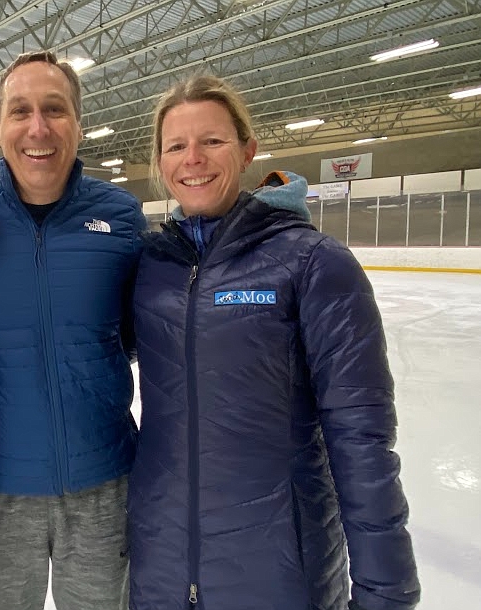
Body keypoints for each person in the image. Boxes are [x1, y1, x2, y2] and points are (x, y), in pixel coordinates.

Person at [127, 74, 421, 610]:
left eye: (212, 141)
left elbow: (362, 438)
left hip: (280, 571)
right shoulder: (150, 267)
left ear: (247, 150)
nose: (193, 158)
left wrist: (386, 593)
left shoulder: (312, 263)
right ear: (161, 163)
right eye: (176, 146)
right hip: (162, 567)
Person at [0, 51, 146, 610]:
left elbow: (138, 331)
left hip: (104, 485)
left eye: (55, 109)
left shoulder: (121, 216)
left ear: (78, 123)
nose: (38, 127)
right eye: (19, 111)